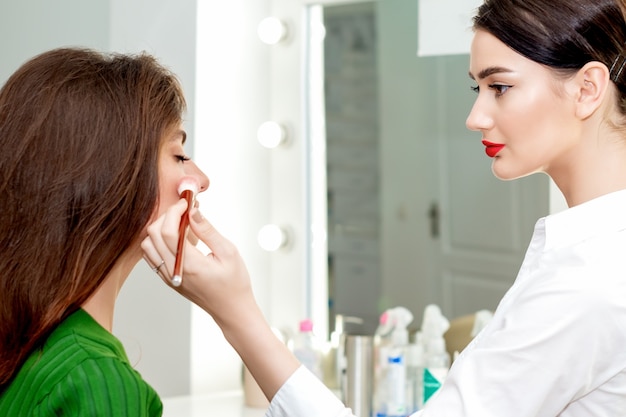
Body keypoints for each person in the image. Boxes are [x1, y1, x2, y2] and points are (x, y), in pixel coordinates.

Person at [142, 0, 626, 415]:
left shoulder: (587, 281)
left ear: (587, 88)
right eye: (475, 89)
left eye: (500, 87)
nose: (476, 116)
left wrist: (236, 313)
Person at [0, 47, 209, 415]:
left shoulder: (31, 346)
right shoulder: (97, 378)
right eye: (178, 155)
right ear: (110, 179)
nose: (201, 180)